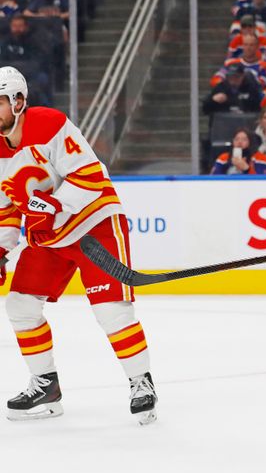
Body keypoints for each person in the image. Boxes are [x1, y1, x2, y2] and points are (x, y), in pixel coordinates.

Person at [0, 67, 158, 424]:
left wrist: (53, 206)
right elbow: (6, 207)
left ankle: (141, 382)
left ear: (18, 102)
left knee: (111, 311)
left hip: (94, 224)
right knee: (21, 306)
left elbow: (89, 175)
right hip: (51, 237)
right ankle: (46, 386)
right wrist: (1, 250)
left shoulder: (50, 125)